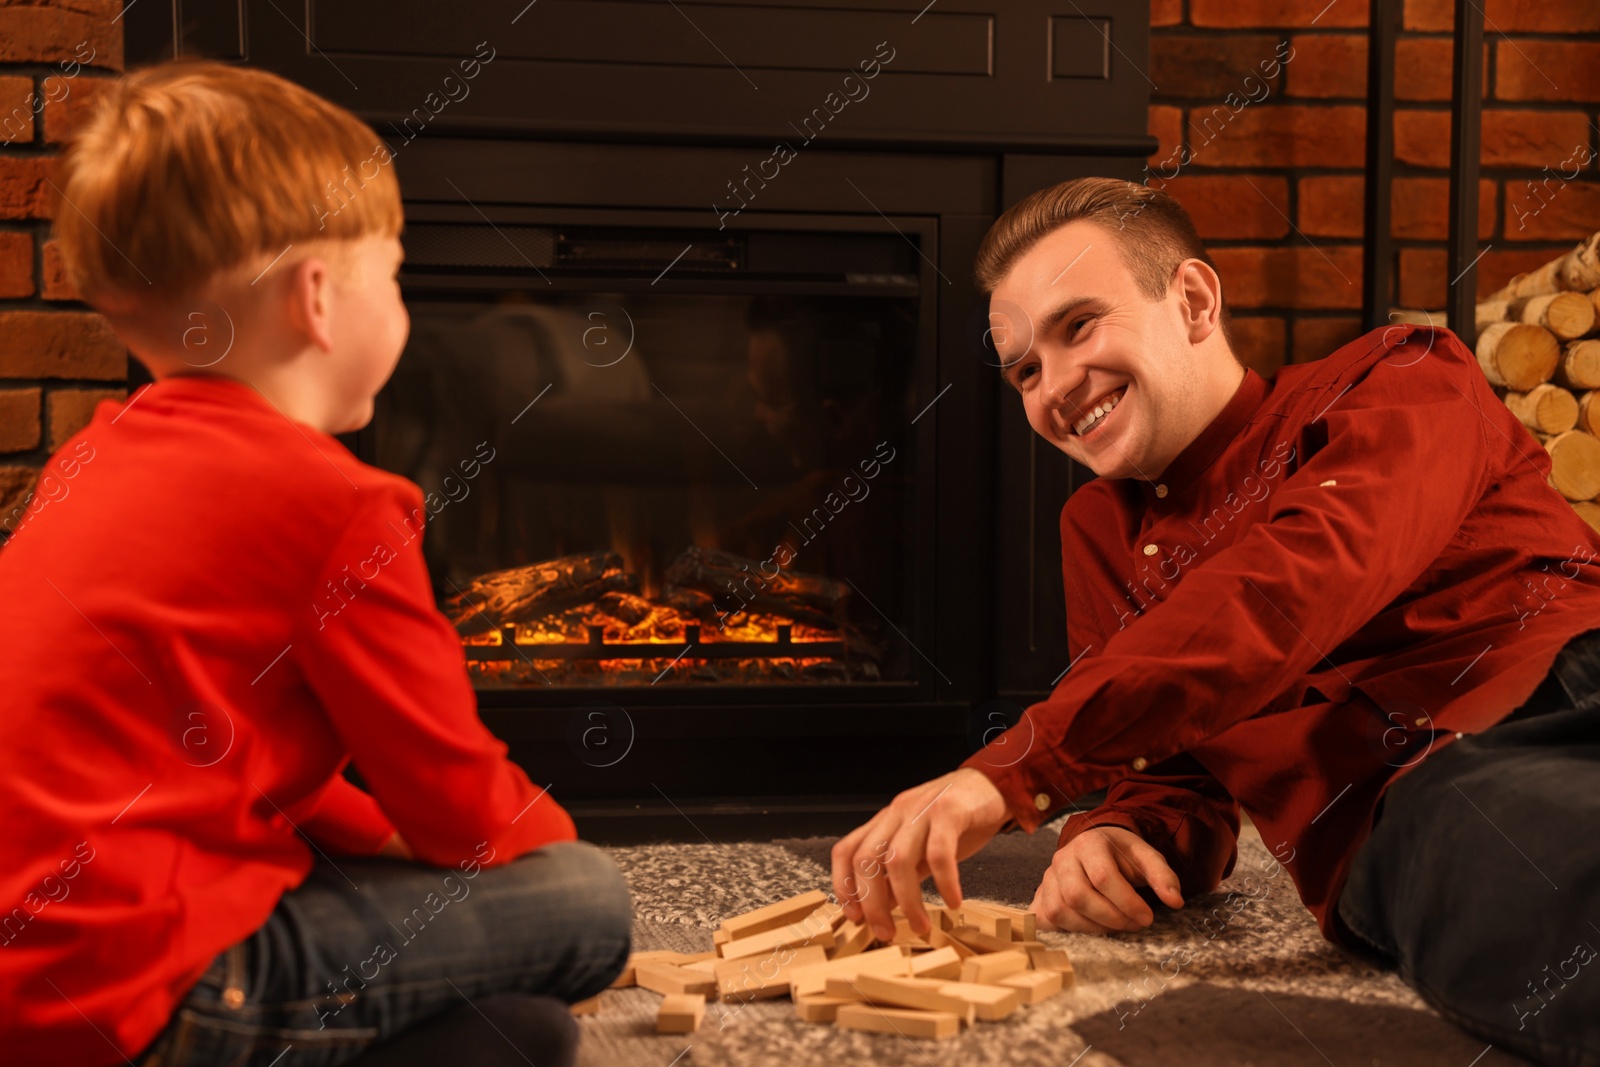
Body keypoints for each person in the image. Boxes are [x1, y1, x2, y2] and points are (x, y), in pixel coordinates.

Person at [831, 177, 1600, 1066]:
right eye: (1026, 371)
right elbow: (1172, 768)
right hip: (1425, 794)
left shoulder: (1403, 375)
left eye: (1079, 325)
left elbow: (1296, 585)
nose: (1054, 389)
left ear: (1192, 299)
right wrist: (1121, 834)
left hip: (1574, 677)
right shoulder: (1097, 531)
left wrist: (1013, 770)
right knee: (1542, 863)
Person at [0, 60, 630, 1067]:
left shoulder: (90, 459)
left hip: (27, 992)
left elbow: (218, 751)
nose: (401, 294)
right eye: (394, 267)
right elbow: (459, 801)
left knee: (522, 1036)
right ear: (319, 299)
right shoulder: (334, 502)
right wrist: (544, 849)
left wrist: (384, 844)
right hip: (149, 994)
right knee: (588, 899)